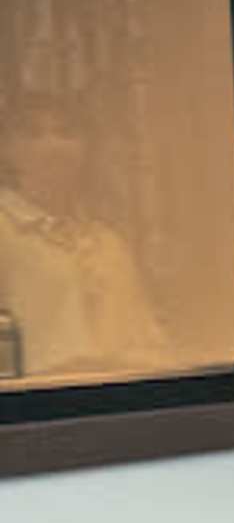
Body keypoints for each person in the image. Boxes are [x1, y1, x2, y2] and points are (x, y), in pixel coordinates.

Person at [0, 98, 176, 385]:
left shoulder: (107, 243)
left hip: (122, 397)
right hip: (34, 406)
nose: (52, 146)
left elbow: (149, 339)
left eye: (66, 133)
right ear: (7, 149)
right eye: (33, 134)